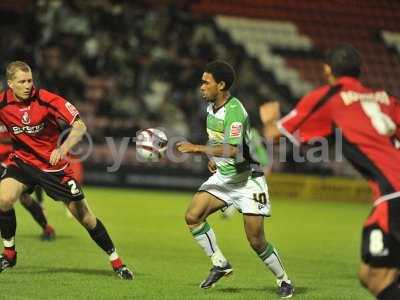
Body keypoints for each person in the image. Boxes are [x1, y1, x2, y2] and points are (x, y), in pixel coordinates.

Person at [260, 44, 400, 300]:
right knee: (379, 274)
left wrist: (270, 118)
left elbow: (274, 136)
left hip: (394, 196)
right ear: (360, 71)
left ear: (327, 70)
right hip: (392, 195)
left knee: (374, 277)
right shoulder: (386, 98)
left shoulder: (329, 97)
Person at [0, 61, 133, 280]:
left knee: (86, 218)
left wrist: (63, 148)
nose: (27, 85)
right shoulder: (3, 103)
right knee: (4, 199)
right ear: (10, 83)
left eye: (30, 80)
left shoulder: (47, 99)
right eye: (22, 81)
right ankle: (9, 253)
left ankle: (116, 261)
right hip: (23, 162)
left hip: (53, 168)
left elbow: (80, 126)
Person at [177, 61, 294, 298]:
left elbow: (232, 149)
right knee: (192, 216)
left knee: (256, 240)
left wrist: (197, 149)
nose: (201, 87)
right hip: (225, 178)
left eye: (205, 82)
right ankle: (219, 263)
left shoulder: (235, 112)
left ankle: (284, 280)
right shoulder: (211, 108)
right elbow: (220, 144)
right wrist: (215, 160)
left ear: (220, 85)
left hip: (248, 181)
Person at [0, 122, 56, 240]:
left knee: (24, 198)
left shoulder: (10, 113)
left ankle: (46, 227)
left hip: (15, 159)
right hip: (3, 159)